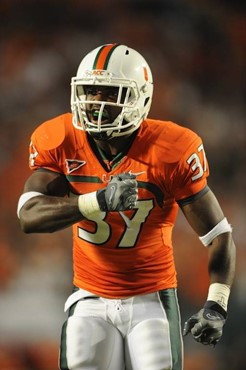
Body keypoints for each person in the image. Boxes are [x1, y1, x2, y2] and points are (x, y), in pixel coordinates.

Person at [17, 43, 236, 370]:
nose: (95, 104)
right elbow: (29, 216)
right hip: (90, 296)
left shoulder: (172, 148)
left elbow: (219, 235)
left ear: (140, 99)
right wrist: (98, 201)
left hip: (151, 298)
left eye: (108, 93)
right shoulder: (60, 138)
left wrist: (216, 305)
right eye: (90, 91)